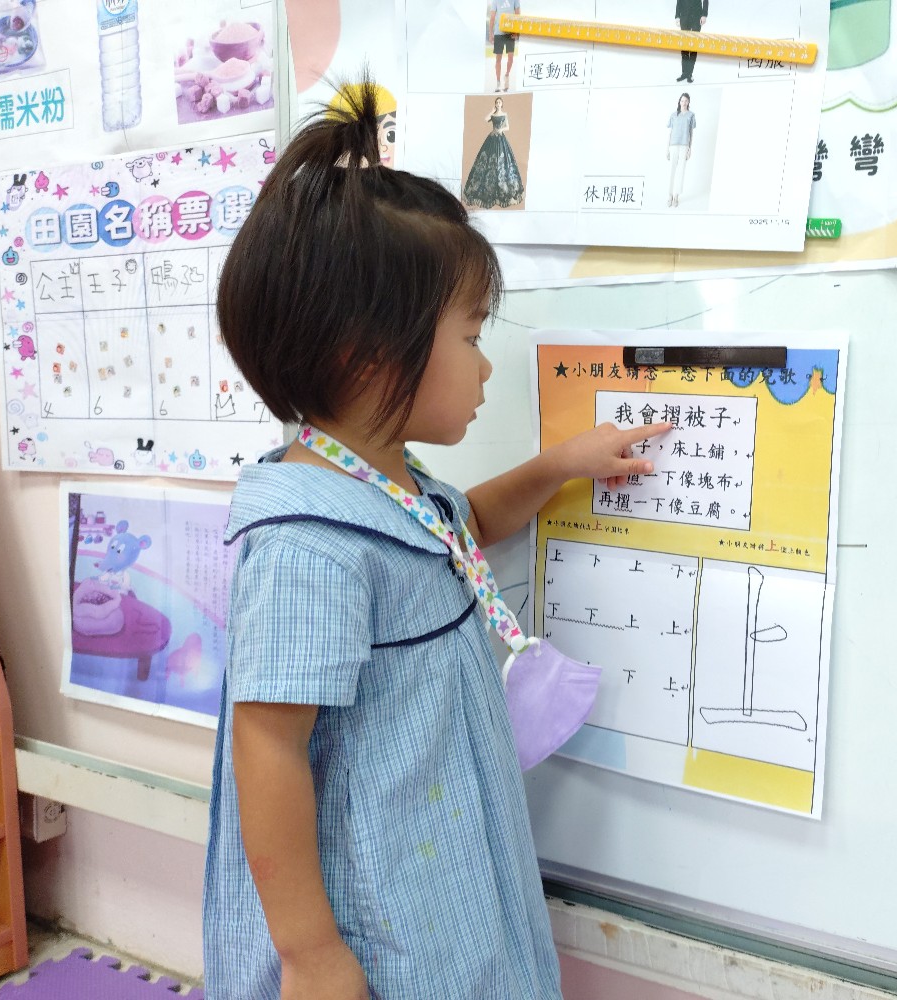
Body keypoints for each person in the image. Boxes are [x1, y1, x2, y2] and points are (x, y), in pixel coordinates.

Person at [202, 79, 671, 1000]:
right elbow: (267, 746)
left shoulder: (391, 483)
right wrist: (309, 953)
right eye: (470, 336)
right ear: (370, 355)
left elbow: (465, 529)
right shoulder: (307, 547)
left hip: (438, 871)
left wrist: (559, 464)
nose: (486, 365)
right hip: (371, 915)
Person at [462, 97, 526, 209]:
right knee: (487, 162)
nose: (498, 104)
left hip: (501, 139)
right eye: (497, 102)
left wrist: (501, 130)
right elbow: (485, 119)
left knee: (502, 163)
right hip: (491, 138)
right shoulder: (493, 114)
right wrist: (492, 111)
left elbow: (508, 127)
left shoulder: (505, 114)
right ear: (495, 104)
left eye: (499, 102)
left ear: (502, 104)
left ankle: (502, 190)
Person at [665, 92, 696, 208]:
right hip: (673, 145)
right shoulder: (673, 115)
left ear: (688, 102)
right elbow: (670, 132)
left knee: (680, 171)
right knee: (671, 171)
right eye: (682, 100)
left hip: (684, 146)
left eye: (686, 101)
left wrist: (690, 149)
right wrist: (667, 149)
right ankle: (669, 195)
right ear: (679, 102)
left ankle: (676, 196)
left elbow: (691, 133)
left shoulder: (691, 115)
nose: (684, 103)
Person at [488, 0, 520, 93]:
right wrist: (491, 34)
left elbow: (518, 16)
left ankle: (507, 75)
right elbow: (492, 17)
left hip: (510, 32)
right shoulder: (495, 1)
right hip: (498, 33)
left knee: (511, 59)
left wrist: (517, 32)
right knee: (498, 59)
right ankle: (498, 83)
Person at [674, 0, 707, 83]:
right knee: (684, 46)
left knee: (694, 45)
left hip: (697, 16)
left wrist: (704, 15)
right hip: (684, 16)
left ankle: (690, 74)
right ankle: (684, 73)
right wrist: (677, 16)